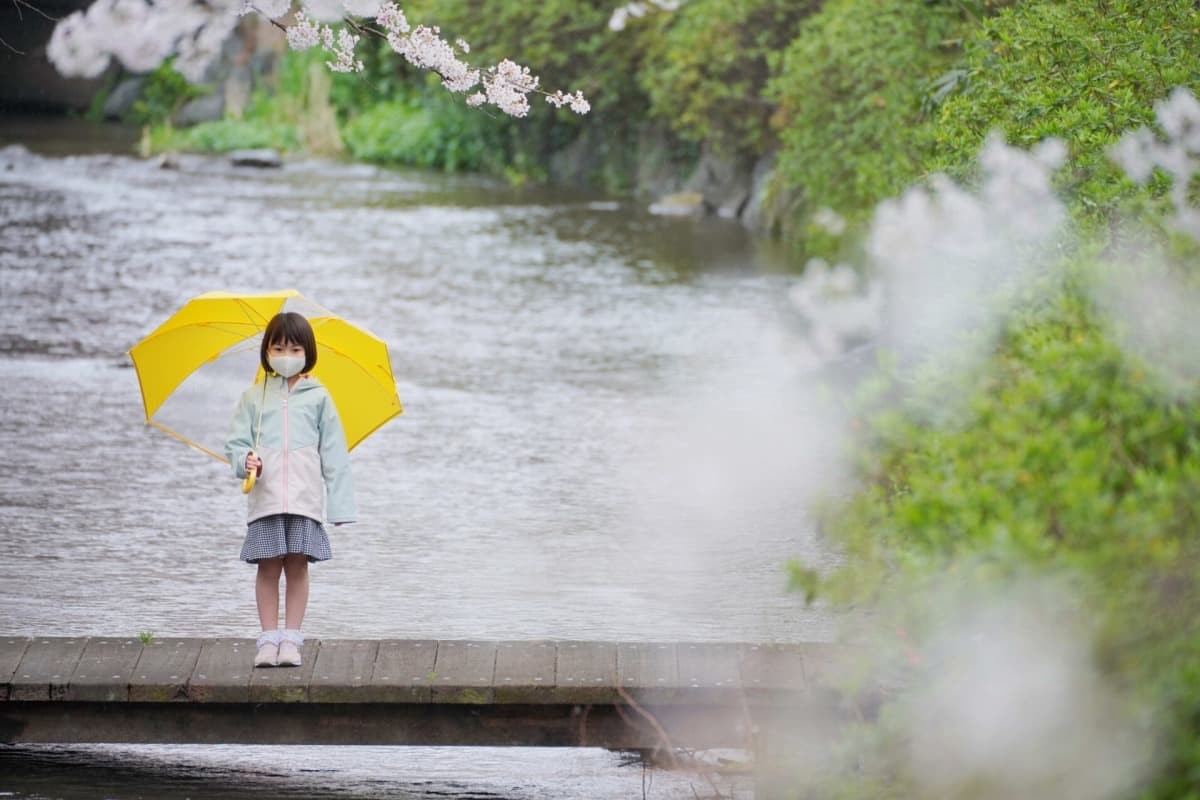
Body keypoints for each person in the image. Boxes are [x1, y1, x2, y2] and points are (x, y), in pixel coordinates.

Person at [225, 311, 355, 668]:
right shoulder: (254, 397)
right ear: (266, 350)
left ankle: (291, 640)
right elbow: (235, 444)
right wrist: (245, 459)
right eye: (278, 346)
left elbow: (334, 453)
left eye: (294, 348)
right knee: (268, 567)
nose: (286, 354)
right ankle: (268, 640)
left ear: (307, 352)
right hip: (265, 497)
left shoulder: (319, 398)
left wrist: (340, 508)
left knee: (297, 566)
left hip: (304, 498)